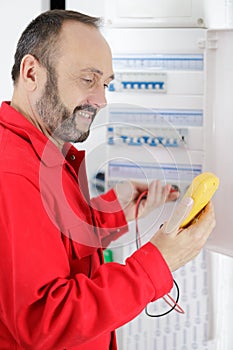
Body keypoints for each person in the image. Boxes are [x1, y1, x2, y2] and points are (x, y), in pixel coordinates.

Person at [0, 9, 216, 350]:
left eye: (105, 84)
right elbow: (46, 321)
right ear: (31, 73)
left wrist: (113, 212)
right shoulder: (12, 174)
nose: (101, 100)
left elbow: (56, 244)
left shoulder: (40, 154)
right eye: (88, 79)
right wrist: (160, 261)